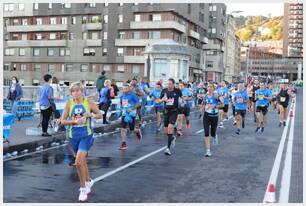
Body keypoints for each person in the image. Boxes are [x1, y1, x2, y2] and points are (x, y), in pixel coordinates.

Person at [61, 82, 102, 202]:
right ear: (71, 93)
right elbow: (63, 121)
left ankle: (83, 188)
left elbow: (99, 114)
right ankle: (88, 181)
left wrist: (91, 115)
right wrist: (74, 122)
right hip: (73, 136)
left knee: (78, 162)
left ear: (82, 91)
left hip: (86, 135)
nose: (75, 93)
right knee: (82, 161)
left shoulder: (88, 102)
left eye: (78, 90)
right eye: (73, 91)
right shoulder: (69, 104)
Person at [160, 78, 182, 155]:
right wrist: (162, 100)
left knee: (170, 128)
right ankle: (172, 137)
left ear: (173, 84)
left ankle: (168, 148)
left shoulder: (177, 91)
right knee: (166, 131)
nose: (168, 85)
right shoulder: (164, 91)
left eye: (170, 84)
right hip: (166, 111)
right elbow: (158, 100)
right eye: (168, 84)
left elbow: (182, 97)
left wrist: (183, 101)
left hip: (174, 111)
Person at [119, 83, 142, 150]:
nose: (125, 90)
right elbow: (121, 104)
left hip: (132, 114)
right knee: (123, 129)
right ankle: (123, 143)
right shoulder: (121, 96)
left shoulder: (133, 95)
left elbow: (138, 104)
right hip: (124, 114)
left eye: (126, 88)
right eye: (123, 88)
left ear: (129, 89)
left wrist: (131, 109)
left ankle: (137, 131)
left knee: (132, 130)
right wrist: (122, 109)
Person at [200, 83, 221, 157]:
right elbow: (203, 103)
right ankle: (208, 150)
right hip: (206, 116)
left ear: (213, 88)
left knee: (212, 133)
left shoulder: (216, 96)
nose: (209, 88)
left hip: (214, 116)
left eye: (211, 87)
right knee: (206, 133)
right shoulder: (205, 96)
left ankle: (214, 135)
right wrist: (201, 107)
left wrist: (214, 105)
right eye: (208, 87)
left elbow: (222, 105)